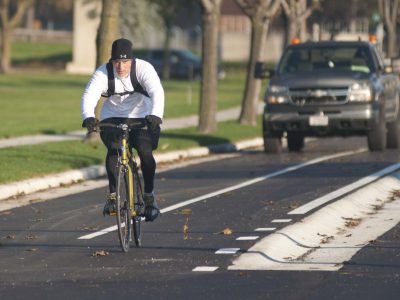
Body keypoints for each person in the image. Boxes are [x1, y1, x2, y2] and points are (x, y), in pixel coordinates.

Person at [81, 38, 164, 222]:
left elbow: (157, 91)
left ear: (132, 61)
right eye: (117, 62)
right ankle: (112, 196)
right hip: (113, 116)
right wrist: (88, 116)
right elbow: (90, 94)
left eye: (125, 62)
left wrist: (156, 114)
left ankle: (149, 195)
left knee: (144, 151)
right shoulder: (103, 73)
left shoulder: (144, 69)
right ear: (111, 61)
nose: (120, 66)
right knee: (114, 148)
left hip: (142, 115)